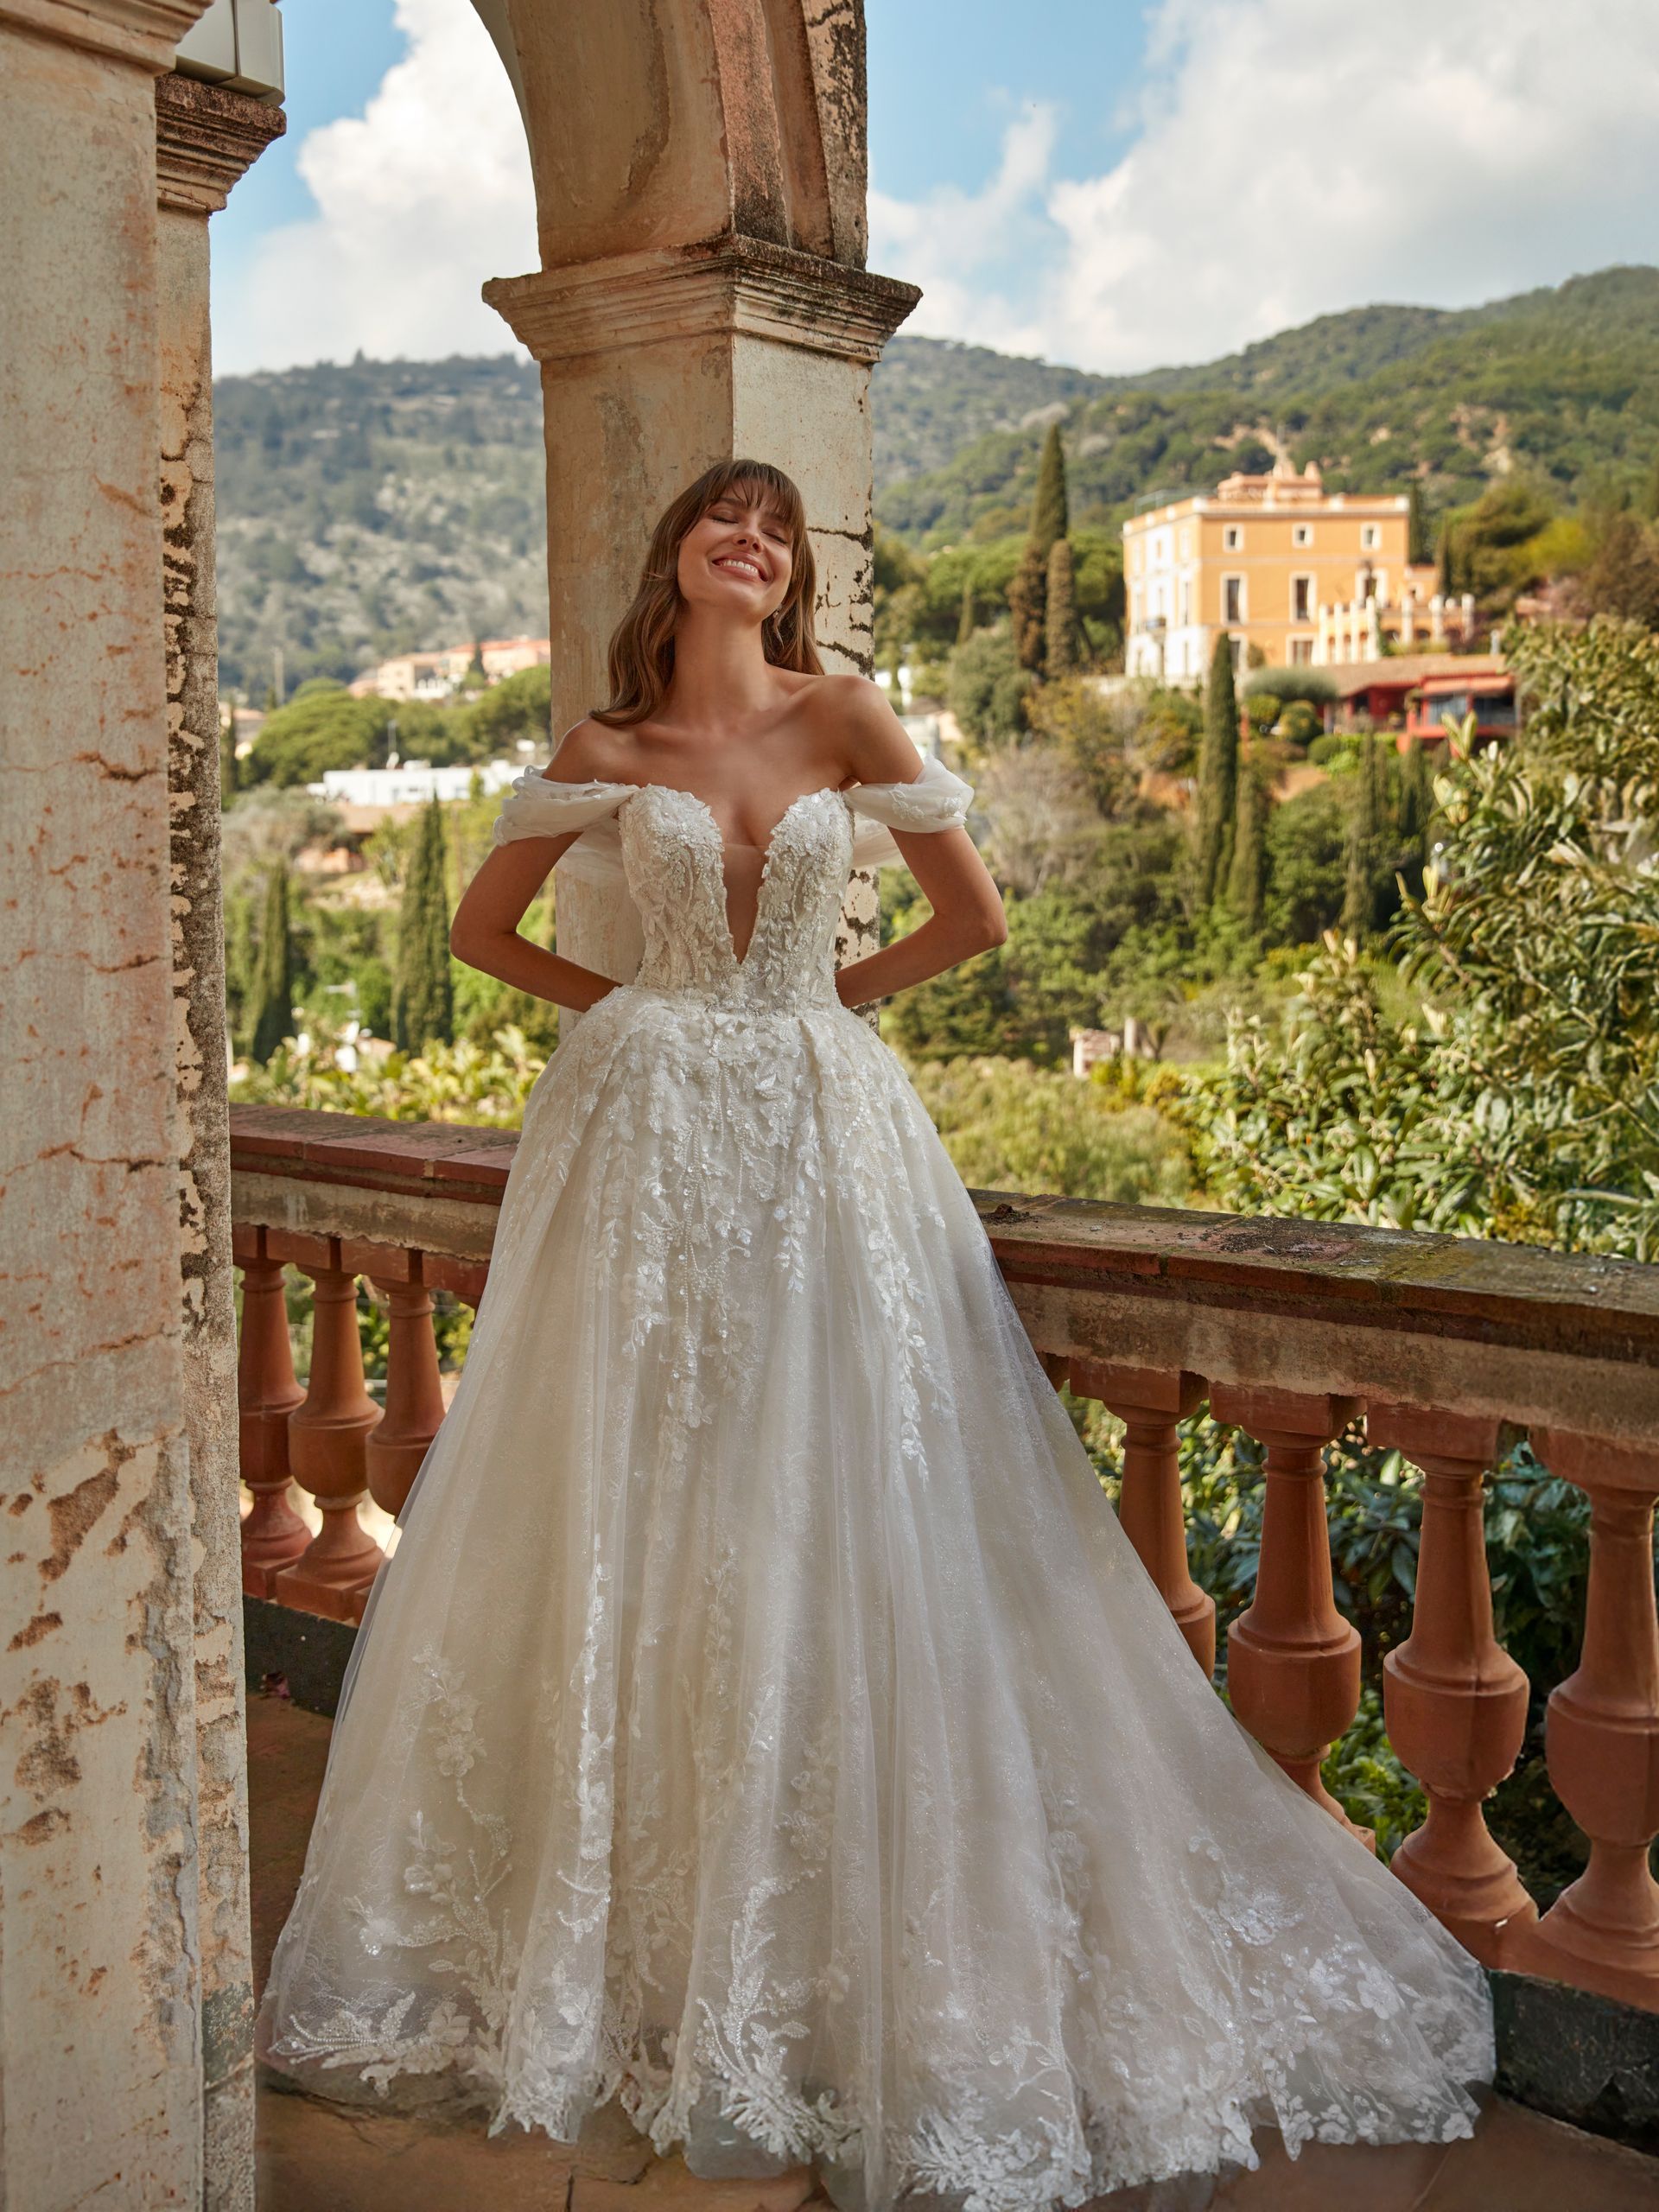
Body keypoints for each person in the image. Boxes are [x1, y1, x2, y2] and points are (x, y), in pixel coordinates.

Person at [255, 459, 1493, 2212]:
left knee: (837, 1486)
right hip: (651, 1147)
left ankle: (821, 1938)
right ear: (678, 552)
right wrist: (636, 1018)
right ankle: (653, 1949)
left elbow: (971, 916)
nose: (752, 543)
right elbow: (480, 933)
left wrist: (820, 1007)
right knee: (653, 1493)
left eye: (778, 530)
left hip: (825, 1140)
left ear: (795, 573)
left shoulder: (842, 712)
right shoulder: (606, 745)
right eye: (725, 519)